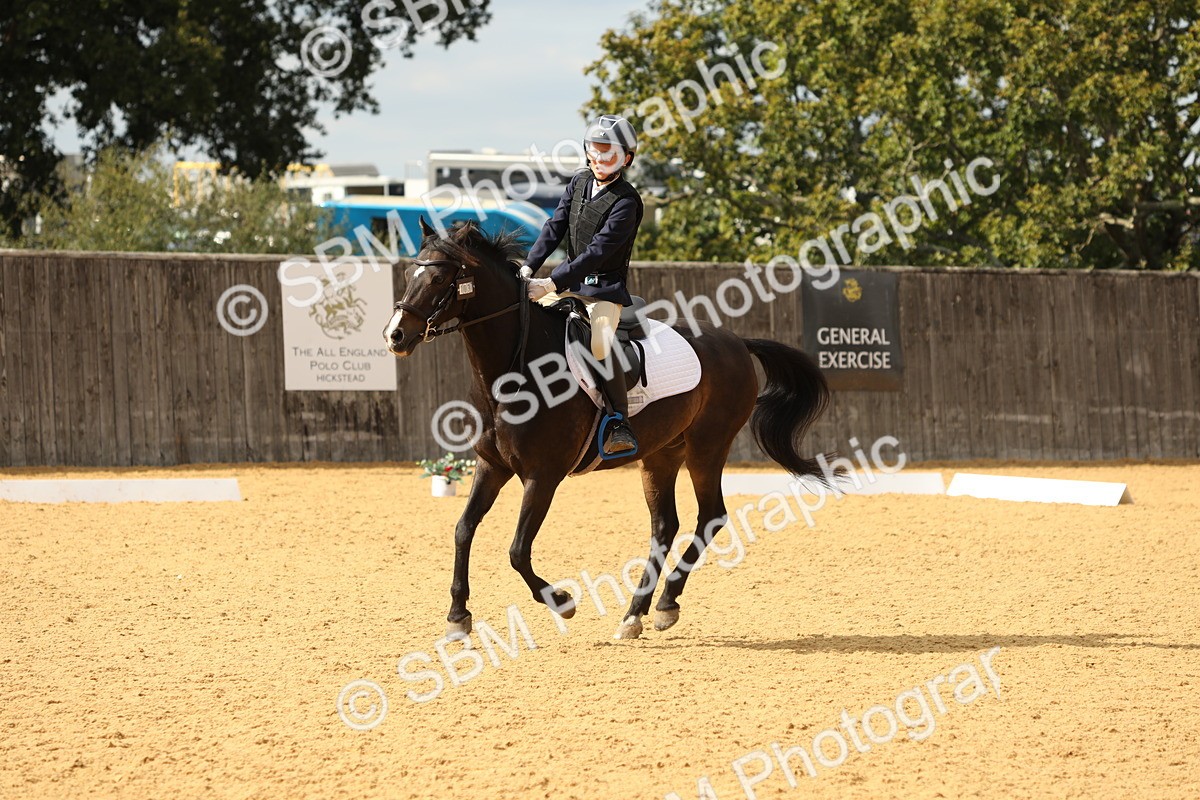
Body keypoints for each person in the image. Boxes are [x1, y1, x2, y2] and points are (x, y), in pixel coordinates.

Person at [522, 114, 645, 457]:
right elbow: (554, 226)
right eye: (595, 150)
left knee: (602, 343)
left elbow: (597, 253)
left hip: (602, 291)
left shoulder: (626, 201)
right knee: (525, 321)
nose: (600, 159)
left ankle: (619, 420)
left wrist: (550, 283)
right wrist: (529, 267)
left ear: (627, 158)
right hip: (565, 284)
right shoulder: (578, 183)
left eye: (609, 153)